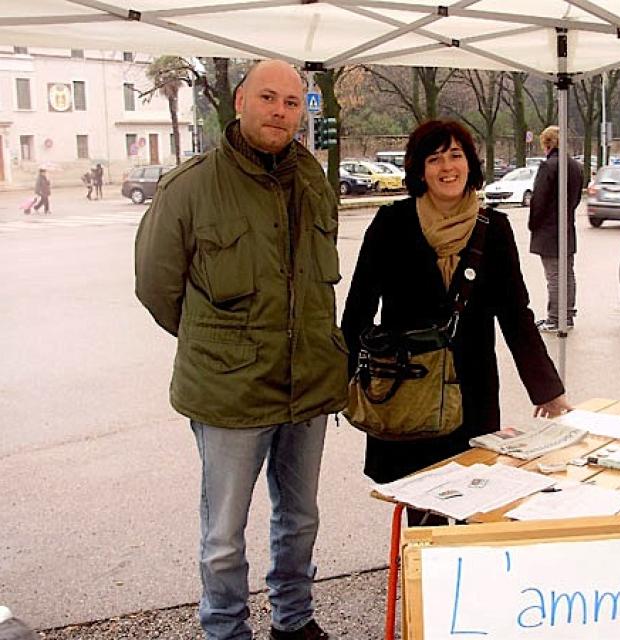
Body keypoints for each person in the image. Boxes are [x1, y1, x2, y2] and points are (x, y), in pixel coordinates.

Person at [134, 59, 347, 640]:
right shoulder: (191, 186)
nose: (280, 111)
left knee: (299, 519)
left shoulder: (311, 180)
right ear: (240, 102)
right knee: (224, 535)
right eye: (268, 98)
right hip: (229, 394)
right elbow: (157, 288)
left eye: (292, 102)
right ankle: (226, 629)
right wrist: (219, 346)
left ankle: (293, 618)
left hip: (309, 386)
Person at [341, 119, 570, 526]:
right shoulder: (390, 224)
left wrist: (547, 391)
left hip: (471, 390)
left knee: (473, 501)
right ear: (419, 168)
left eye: (455, 155)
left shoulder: (494, 229)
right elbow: (358, 309)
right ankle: (424, 584)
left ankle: (461, 586)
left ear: (470, 163)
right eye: (434, 158)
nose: (447, 166)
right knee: (422, 507)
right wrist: (343, 382)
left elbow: (516, 315)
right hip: (407, 386)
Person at [528, 125, 584, 332]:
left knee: (554, 276)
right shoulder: (576, 167)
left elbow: (538, 201)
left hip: (548, 230)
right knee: (567, 274)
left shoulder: (548, 167)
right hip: (567, 227)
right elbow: (576, 199)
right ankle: (567, 315)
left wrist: (533, 224)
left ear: (547, 143)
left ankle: (554, 318)